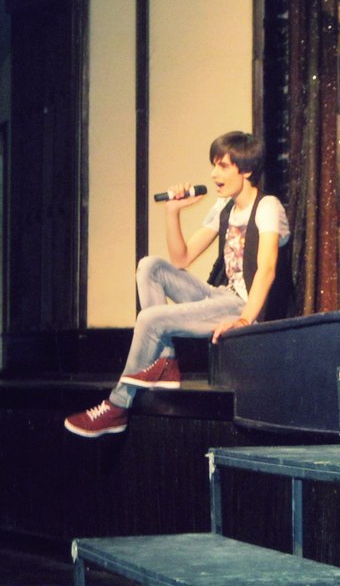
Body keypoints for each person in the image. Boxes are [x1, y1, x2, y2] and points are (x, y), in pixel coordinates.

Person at [64, 131, 290, 437]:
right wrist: (173, 211)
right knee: (150, 266)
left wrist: (244, 320)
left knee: (150, 319)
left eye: (223, 166)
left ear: (246, 170)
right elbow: (181, 258)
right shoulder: (224, 208)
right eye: (213, 165)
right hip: (222, 295)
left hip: (245, 306)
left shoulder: (267, 206)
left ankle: (117, 405)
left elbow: (267, 269)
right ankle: (165, 360)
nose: (214, 174)